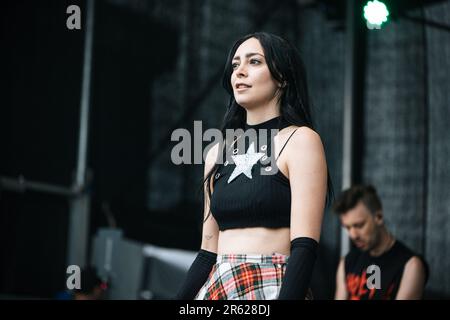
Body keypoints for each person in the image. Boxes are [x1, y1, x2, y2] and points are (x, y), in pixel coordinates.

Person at [176, 32, 331, 300]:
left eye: (254, 62)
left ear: (281, 77)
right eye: (235, 65)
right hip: (218, 284)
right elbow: (206, 252)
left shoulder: (300, 140)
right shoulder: (216, 153)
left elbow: (304, 246)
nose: (240, 72)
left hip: (272, 284)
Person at [333, 185, 428, 300]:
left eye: (359, 225)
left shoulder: (410, 266)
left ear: (379, 217)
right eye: (347, 227)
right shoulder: (347, 261)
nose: (353, 235)